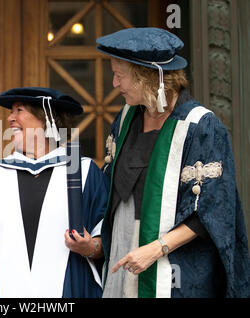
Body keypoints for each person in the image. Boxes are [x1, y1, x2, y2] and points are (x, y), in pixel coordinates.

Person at [96, 27, 250, 297]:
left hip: (174, 269)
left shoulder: (200, 126)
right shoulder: (124, 120)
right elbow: (111, 193)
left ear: (147, 78)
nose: (114, 84)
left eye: (120, 76)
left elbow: (214, 209)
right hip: (124, 259)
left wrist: (156, 248)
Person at [0, 87, 109, 298]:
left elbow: (107, 239)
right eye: (11, 112)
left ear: (46, 119)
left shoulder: (83, 171)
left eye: (19, 110)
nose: (10, 119)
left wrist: (89, 247)